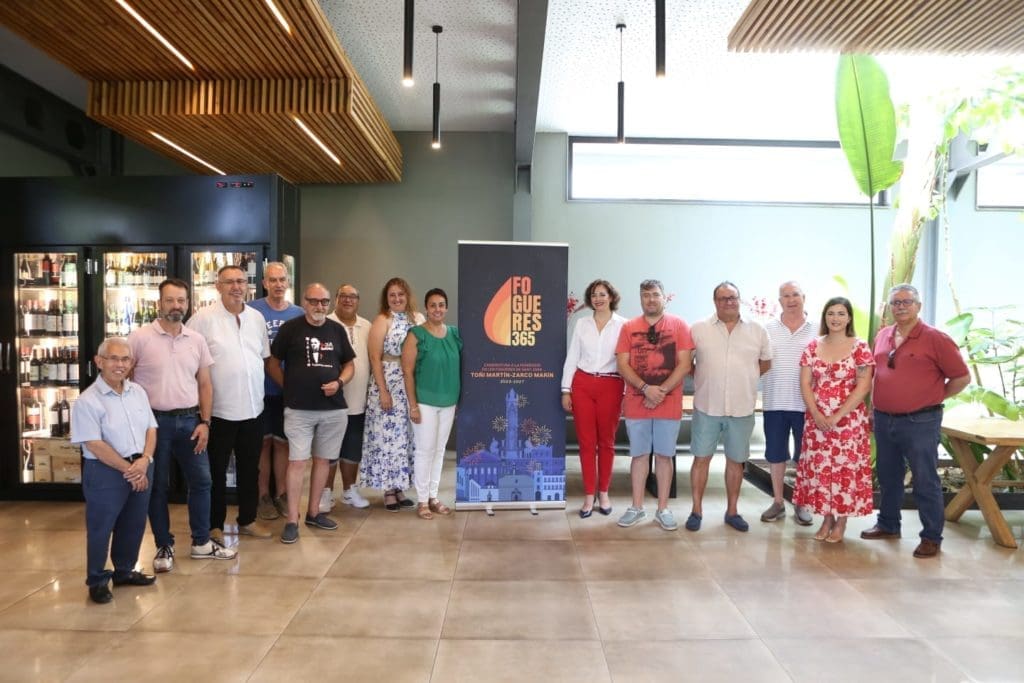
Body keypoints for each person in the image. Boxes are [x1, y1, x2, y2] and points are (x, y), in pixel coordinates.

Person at [128, 278, 237, 573]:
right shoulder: (139, 338)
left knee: (202, 482)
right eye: (170, 300)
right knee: (157, 487)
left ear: (188, 304)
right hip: (153, 425)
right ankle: (164, 544)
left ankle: (201, 542)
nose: (176, 306)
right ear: (159, 303)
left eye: (181, 300)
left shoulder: (196, 340)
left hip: (190, 422)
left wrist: (205, 422)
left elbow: (205, 384)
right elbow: (126, 380)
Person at [862, 284, 969, 558]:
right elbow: (876, 376)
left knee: (925, 479)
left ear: (918, 306)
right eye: (896, 302)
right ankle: (888, 524)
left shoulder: (936, 338)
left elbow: (961, 377)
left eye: (906, 301)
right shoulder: (883, 335)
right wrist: (872, 409)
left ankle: (931, 536)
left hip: (921, 421)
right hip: (884, 419)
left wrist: (933, 396)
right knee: (888, 476)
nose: (901, 306)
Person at [187, 264, 273, 542]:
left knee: (250, 469)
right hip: (218, 411)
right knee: (215, 471)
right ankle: (214, 525)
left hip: (253, 409)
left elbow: (262, 357)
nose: (236, 287)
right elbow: (189, 362)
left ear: (248, 285)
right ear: (218, 286)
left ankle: (248, 519)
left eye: (240, 281)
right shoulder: (202, 320)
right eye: (229, 282)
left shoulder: (256, 318)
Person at [266, 283, 356, 543]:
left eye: (324, 302)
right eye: (314, 301)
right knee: (297, 462)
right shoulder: (290, 328)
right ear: (304, 302)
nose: (319, 306)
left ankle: (314, 513)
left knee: (323, 461)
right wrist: (288, 387)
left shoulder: (336, 330)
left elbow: (350, 365)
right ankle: (292, 520)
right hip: (299, 410)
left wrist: (339, 382)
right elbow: (272, 363)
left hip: (333, 409)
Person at [71, 337, 158, 604]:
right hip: (106, 471)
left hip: (141, 465)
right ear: (99, 362)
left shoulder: (138, 392)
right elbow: (94, 444)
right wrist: (130, 469)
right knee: (101, 526)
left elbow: (151, 428)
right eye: (113, 359)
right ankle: (97, 580)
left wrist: (145, 460)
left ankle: (124, 571)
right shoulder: (87, 401)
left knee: (134, 522)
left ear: (132, 363)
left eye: (125, 359)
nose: (120, 365)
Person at [689, 281, 772, 533]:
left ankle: (732, 511)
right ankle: (696, 511)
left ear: (739, 299)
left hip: (741, 407)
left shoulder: (757, 330)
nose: (729, 302)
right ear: (715, 302)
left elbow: (765, 363)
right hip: (707, 406)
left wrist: (746, 378)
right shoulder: (699, 328)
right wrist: (705, 379)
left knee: (736, 461)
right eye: (723, 298)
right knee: (701, 459)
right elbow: (687, 363)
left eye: (733, 297)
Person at [793, 297, 875, 543]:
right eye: (831, 313)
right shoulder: (812, 346)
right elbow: (805, 383)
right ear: (824, 317)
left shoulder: (860, 347)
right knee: (821, 470)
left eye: (841, 314)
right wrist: (817, 414)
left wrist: (837, 415)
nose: (835, 318)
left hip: (848, 420)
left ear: (849, 318)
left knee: (844, 470)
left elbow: (864, 386)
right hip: (817, 421)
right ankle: (826, 519)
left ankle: (841, 521)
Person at [614, 279, 694, 531]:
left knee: (664, 455)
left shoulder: (679, 325)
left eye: (655, 294)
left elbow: (685, 364)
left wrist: (661, 391)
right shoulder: (629, 327)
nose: (650, 299)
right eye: (646, 295)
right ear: (641, 299)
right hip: (636, 402)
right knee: (639, 455)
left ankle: (663, 509)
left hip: (668, 403)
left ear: (664, 298)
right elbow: (622, 364)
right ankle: (636, 507)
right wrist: (645, 389)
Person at [561, 278, 626, 517]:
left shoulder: (624, 325)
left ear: (611, 297)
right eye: (594, 295)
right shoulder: (582, 324)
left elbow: (626, 362)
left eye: (602, 294)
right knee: (586, 443)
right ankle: (589, 495)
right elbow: (572, 357)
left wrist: (627, 394)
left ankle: (604, 493)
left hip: (611, 385)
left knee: (607, 442)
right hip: (583, 385)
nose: (598, 299)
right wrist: (566, 390)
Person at [359, 277, 424, 510]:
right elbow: (374, 357)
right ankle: (388, 489)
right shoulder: (382, 320)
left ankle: (399, 486)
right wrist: (383, 392)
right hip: (387, 381)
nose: (397, 299)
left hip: (410, 383)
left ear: (408, 296)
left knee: (405, 438)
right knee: (386, 437)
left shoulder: (417, 319)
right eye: (392, 295)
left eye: (400, 294)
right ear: (386, 299)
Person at [248, 261, 304, 520]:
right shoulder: (252, 310)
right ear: (264, 283)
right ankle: (263, 497)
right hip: (258, 391)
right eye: (273, 280)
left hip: (288, 392)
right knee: (262, 443)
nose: (278, 284)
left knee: (283, 444)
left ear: (287, 282)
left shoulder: (298, 313)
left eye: (282, 280)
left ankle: (281, 494)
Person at [402, 288, 463, 520]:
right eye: (433, 305)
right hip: (425, 402)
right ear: (426, 308)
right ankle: (421, 500)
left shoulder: (454, 334)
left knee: (439, 450)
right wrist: (413, 405)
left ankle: (433, 497)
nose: (437, 309)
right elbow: (407, 372)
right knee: (424, 450)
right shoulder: (416, 334)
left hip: (449, 401)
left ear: (446, 308)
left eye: (441, 305)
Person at [760, 281, 816, 526]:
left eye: (795, 295)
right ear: (779, 300)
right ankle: (778, 501)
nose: (791, 299)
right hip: (774, 402)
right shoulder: (767, 328)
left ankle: (801, 503)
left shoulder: (818, 329)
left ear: (804, 297)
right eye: (786, 296)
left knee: (804, 456)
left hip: (807, 405)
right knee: (776, 455)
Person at [326, 284, 372, 509]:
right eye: (343, 296)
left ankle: (349, 491)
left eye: (352, 296)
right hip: (330, 401)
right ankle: (324, 492)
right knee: (328, 449)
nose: (347, 300)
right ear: (336, 299)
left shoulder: (367, 326)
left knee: (352, 448)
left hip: (358, 401)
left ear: (358, 301)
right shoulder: (326, 323)